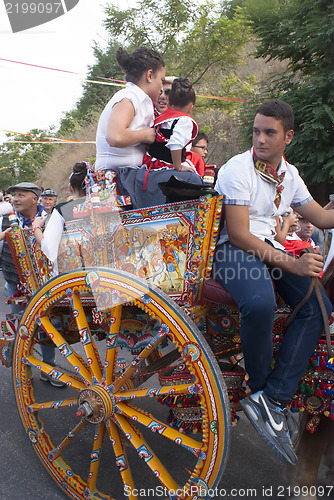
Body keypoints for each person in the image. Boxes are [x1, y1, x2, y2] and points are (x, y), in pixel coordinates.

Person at [212, 99, 334, 465]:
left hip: (269, 245)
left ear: (288, 136)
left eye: (269, 132)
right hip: (234, 251)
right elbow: (237, 235)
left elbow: (322, 219)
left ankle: (273, 400)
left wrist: (289, 259)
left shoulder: (291, 174)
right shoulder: (238, 168)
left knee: (321, 307)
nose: (260, 139)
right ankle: (260, 387)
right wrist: (293, 265)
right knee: (261, 303)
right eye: (256, 131)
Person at [0, 182, 64, 386]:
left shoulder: (49, 218)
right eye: (13, 195)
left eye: (20, 195)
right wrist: (8, 232)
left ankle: (49, 368)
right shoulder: (6, 220)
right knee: (19, 328)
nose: (15, 199)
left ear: (35, 199)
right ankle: (23, 371)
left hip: (44, 284)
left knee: (47, 326)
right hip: (14, 284)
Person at [95, 46, 166, 171]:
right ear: (149, 76)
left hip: (131, 174)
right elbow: (115, 137)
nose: (162, 88)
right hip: (116, 175)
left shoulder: (142, 101)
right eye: (161, 80)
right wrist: (145, 135)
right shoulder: (128, 98)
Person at [32, 162, 87, 267]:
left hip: (74, 275)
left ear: (70, 188)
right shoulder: (110, 206)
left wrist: (36, 227)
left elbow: (49, 248)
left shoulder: (62, 210)